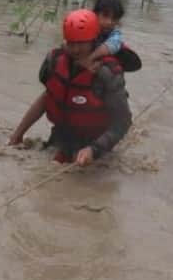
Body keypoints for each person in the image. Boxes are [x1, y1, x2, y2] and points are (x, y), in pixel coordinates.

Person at [8, 9, 133, 166]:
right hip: (61, 136)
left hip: (96, 143)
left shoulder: (107, 73)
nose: (75, 49)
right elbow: (47, 98)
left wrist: (94, 150)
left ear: (94, 40)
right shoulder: (55, 60)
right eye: (71, 42)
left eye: (81, 43)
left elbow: (123, 122)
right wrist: (18, 135)